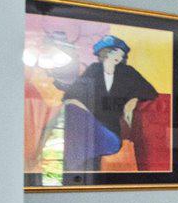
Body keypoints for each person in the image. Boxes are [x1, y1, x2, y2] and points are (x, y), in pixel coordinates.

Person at [56, 35, 158, 171]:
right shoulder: (93, 70)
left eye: (121, 52)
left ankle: (78, 164)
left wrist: (132, 101)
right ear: (105, 53)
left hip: (111, 132)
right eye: (115, 51)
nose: (119, 55)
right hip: (90, 127)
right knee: (72, 108)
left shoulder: (127, 72)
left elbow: (150, 91)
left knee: (92, 143)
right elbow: (70, 96)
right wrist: (81, 108)